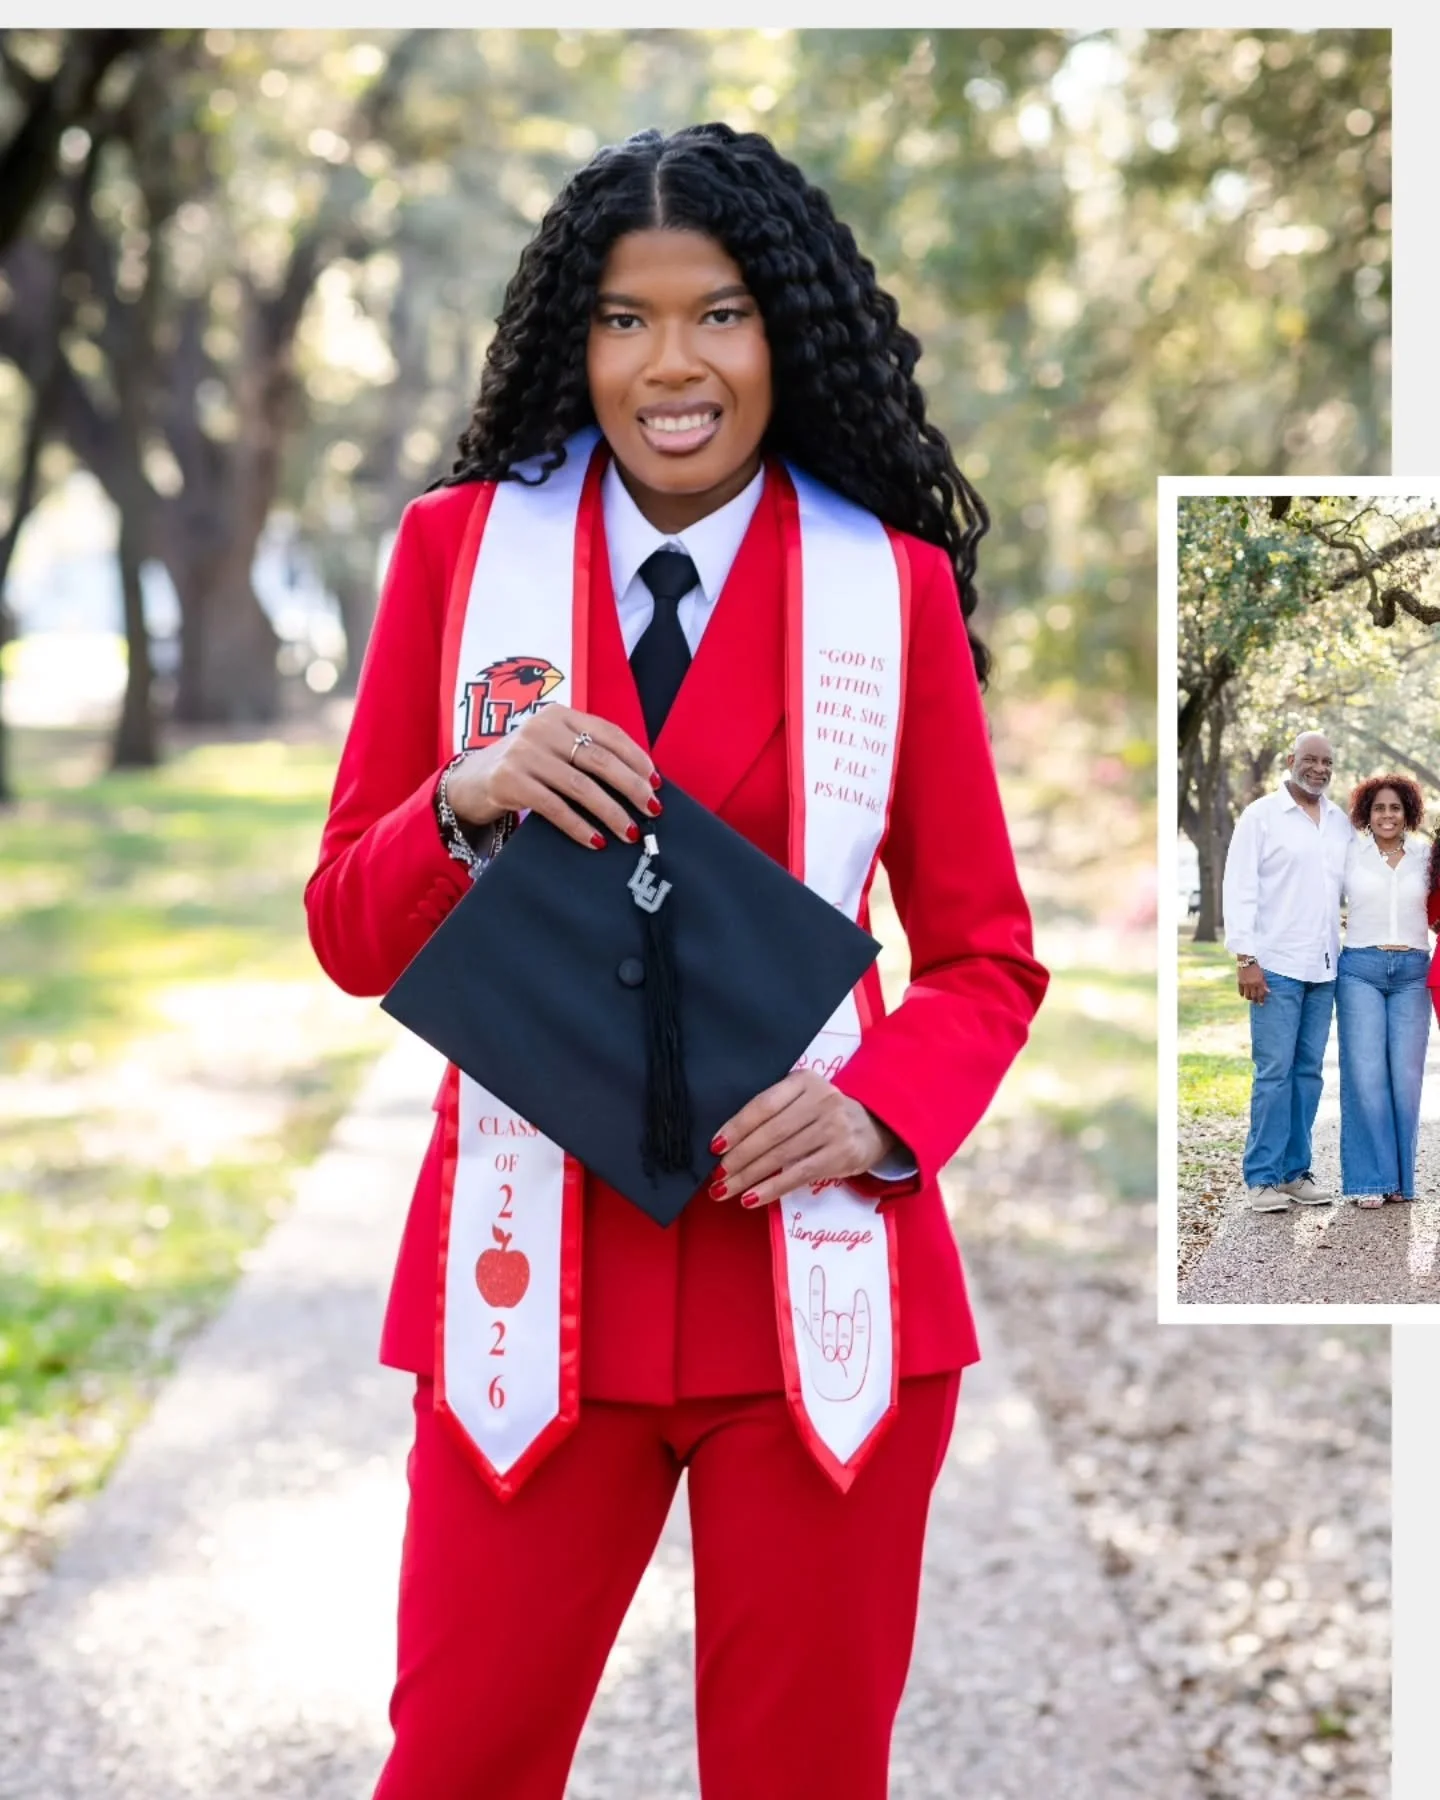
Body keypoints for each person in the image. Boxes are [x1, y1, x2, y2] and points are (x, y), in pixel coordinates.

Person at [304, 123, 1048, 1800]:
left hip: (817, 1290)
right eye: (625, 321)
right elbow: (348, 930)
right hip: (531, 1293)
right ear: (576, 342)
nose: (672, 366)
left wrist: (879, 1113)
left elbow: (988, 957)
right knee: (462, 1766)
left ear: (783, 327)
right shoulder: (455, 558)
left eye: (717, 312)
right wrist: (460, 799)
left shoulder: (891, 590)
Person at [1221, 731, 1352, 1211]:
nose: (1319, 769)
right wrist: (1246, 958)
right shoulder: (1261, 816)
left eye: (1328, 762)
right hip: (1274, 965)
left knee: (1308, 1073)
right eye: (1311, 760)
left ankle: (1296, 1172)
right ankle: (1261, 1177)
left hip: (1324, 966)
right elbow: (1239, 889)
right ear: (1291, 760)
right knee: (1273, 1072)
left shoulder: (1339, 822)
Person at [1336, 775, 1432, 1207]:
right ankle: (1370, 1180)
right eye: (1379, 808)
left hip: (1413, 971)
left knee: (1406, 1079)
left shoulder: (1427, 856)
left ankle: (1399, 1181)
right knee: (1366, 1075)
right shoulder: (1349, 854)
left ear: (1407, 812)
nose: (1387, 815)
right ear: (1366, 814)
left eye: (1395, 808)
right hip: (1360, 969)